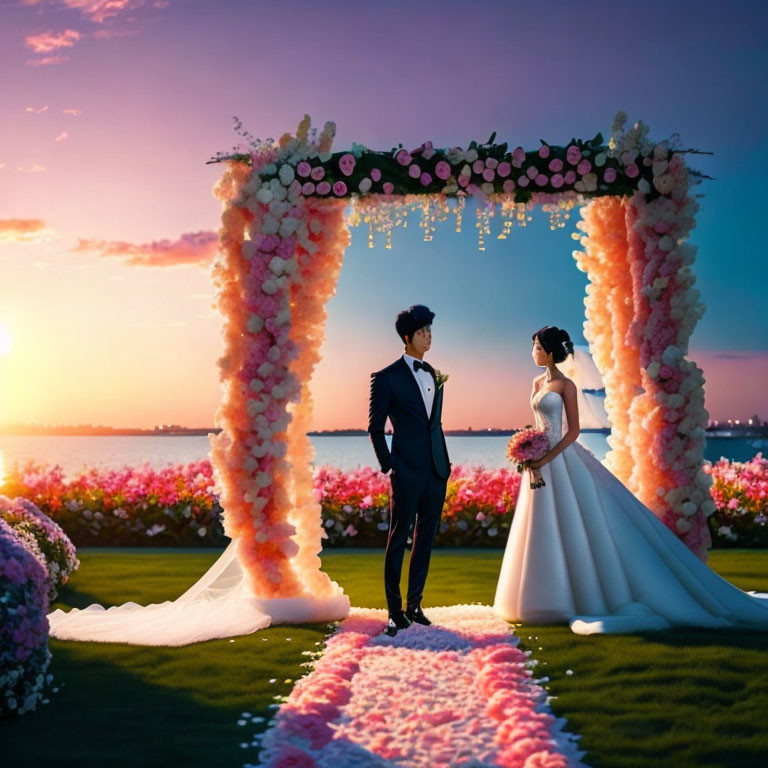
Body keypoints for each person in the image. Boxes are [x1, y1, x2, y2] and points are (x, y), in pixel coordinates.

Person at [493, 325, 768, 634]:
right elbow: (537, 424)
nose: (534, 353)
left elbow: (572, 431)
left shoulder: (566, 386)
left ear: (551, 352)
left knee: (572, 522)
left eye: (538, 348)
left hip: (559, 459)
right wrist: (530, 451)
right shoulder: (535, 383)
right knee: (540, 526)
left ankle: (575, 596)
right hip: (538, 462)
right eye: (533, 347)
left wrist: (546, 457)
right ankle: (538, 599)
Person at [368, 305, 451, 636]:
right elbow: (375, 428)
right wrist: (390, 465)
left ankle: (415, 605)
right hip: (405, 470)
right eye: (422, 332)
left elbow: (434, 424)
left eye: (430, 331)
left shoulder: (434, 373)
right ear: (407, 337)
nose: (428, 337)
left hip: (436, 469)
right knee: (398, 536)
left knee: (425, 539)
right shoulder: (386, 378)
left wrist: (443, 461)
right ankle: (393, 610)